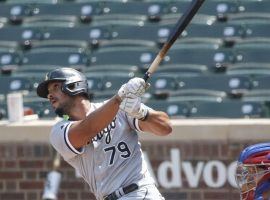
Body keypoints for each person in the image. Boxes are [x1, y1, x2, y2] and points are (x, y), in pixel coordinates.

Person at [36, 67, 172, 200]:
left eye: (54, 87)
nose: (50, 95)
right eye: (48, 92)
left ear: (73, 85)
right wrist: (119, 98)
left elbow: (165, 127)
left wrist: (142, 114)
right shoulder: (58, 131)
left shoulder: (119, 108)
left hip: (139, 192)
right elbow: (88, 129)